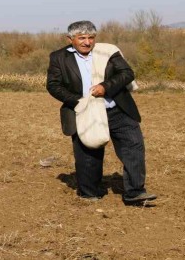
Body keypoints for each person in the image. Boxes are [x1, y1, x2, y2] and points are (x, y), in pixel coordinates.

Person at [46, 20, 156, 204]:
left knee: (134, 147)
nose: (87, 42)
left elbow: (127, 73)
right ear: (70, 39)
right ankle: (90, 194)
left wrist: (105, 87)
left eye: (91, 38)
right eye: (82, 38)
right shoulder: (58, 57)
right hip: (84, 112)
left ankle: (135, 192)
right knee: (89, 154)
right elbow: (53, 85)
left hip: (117, 109)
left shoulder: (108, 51)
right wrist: (79, 101)